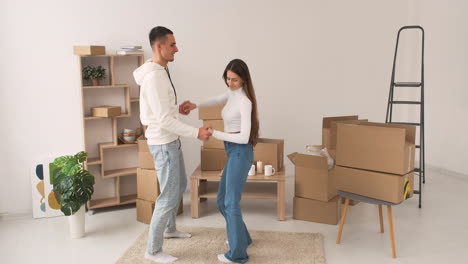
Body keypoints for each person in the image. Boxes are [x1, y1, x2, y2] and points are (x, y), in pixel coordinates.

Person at [133, 26, 212, 263]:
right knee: (168, 195)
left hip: (170, 140)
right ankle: (153, 250)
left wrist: (177, 108)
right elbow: (163, 121)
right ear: (159, 46)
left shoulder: (160, 70)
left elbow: (161, 111)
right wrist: (196, 132)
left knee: (178, 187)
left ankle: (169, 229)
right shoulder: (154, 77)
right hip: (164, 143)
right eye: (172, 45)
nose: (177, 49)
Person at [180, 59, 260, 263]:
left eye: (234, 80)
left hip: (241, 151)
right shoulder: (232, 94)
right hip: (233, 151)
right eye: (227, 78)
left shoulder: (245, 101)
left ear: (243, 79)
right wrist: (194, 104)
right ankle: (243, 239)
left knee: (231, 202)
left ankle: (238, 255)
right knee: (222, 199)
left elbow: (243, 137)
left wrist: (214, 132)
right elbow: (216, 99)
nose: (230, 83)